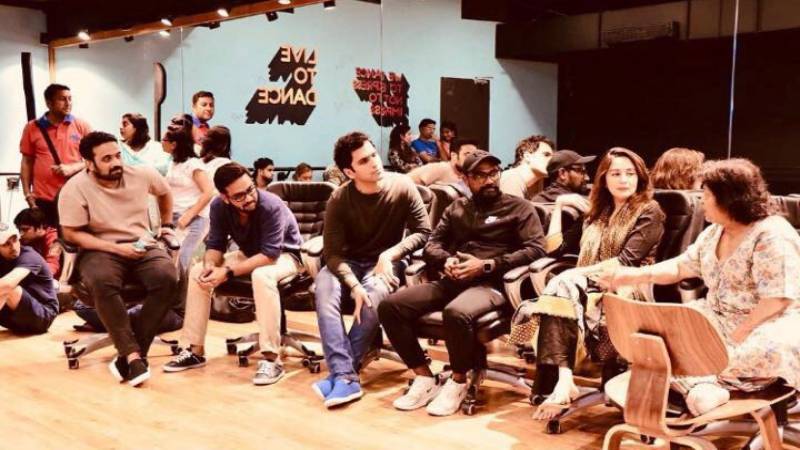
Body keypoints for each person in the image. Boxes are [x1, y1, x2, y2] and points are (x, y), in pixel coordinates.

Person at [599, 158, 800, 416]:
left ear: (729, 198)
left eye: (706, 195)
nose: (701, 201)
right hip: (718, 316)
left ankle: (705, 386)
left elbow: (777, 299)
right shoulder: (715, 232)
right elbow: (681, 267)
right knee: (664, 339)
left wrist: (741, 333)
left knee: (755, 351)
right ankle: (701, 387)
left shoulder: (771, 233)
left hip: (765, 322)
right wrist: (629, 276)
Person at [379, 150, 547, 416]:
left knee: (456, 313)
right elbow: (432, 244)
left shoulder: (519, 208)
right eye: (480, 175)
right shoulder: (456, 208)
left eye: (493, 173)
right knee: (390, 306)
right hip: (453, 279)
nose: (489, 180)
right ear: (466, 179)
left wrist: (486, 265)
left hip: (493, 284)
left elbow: (537, 249)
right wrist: (446, 261)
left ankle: (459, 380)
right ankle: (424, 378)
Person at [513, 147, 665, 420]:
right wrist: (559, 209)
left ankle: (560, 381)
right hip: (588, 285)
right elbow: (553, 249)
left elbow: (627, 262)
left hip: (628, 285)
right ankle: (564, 378)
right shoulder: (597, 211)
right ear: (604, 179)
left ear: (640, 177)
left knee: (560, 289)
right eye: (616, 173)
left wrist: (575, 275)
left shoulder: (649, 210)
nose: (623, 180)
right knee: (559, 294)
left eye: (630, 174)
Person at [312, 132, 431, 408]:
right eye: (364, 161)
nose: (375, 162)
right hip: (348, 264)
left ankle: (341, 375)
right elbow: (332, 253)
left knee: (375, 291)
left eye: (374, 154)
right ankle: (345, 375)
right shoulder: (340, 199)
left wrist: (390, 253)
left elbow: (423, 232)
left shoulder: (402, 185)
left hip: (386, 262)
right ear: (349, 171)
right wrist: (353, 284)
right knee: (324, 288)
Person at [163, 162, 303, 386]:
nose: (248, 198)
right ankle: (194, 349)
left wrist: (226, 272)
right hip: (249, 254)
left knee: (262, 276)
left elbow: (269, 255)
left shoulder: (271, 205)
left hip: (286, 256)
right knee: (199, 270)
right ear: (225, 197)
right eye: (239, 196)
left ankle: (272, 358)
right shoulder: (219, 206)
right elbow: (216, 245)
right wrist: (211, 264)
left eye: (250, 189)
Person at [58, 131, 179, 387]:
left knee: (168, 276)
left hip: (141, 243)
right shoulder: (75, 188)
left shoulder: (141, 174)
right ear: (89, 163)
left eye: (117, 156)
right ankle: (133, 356)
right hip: (98, 249)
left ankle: (130, 354)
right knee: (102, 281)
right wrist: (116, 249)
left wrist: (166, 224)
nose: (115, 163)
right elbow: (71, 233)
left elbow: (165, 192)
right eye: (106, 159)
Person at [20, 83, 92, 227]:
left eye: (70, 99)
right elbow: (26, 162)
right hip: (43, 199)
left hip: (74, 197)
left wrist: (73, 167)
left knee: (73, 242)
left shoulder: (81, 125)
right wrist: (27, 193)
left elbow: (94, 159)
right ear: (49, 103)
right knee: (46, 241)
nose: (68, 103)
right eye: (62, 99)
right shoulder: (32, 127)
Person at [162, 126, 214, 272]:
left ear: (174, 144)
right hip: (176, 218)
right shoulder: (174, 163)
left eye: (164, 140)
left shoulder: (193, 164)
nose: (161, 142)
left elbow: (208, 192)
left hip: (194, 219)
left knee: (182, 260)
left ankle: (183, 294)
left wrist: (189, 215)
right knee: (172, 259)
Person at [532, 150, 595, 255]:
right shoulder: (576, 204)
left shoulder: (536, 199)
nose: (587, 177)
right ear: (562, 173)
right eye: (581, 171)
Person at [0, 224, 58, 335]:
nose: (13, 247)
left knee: (9, 288)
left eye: (15, 240)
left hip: (42, 316)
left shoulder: (29, 256)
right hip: (14, 318)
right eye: (6, 244)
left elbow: (6, 285)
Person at [407, 140, 479, 196]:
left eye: (474, 155)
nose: (472, 159)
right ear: (454, 155)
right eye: (467, 154)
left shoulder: (471, 176)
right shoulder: (441, 168)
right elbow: (407, 182)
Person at [499, 135, 555, 201]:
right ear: (527, 156)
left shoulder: (526, 184)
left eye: (552, 157)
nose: (552, 160)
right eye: (546, 155)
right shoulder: (511, 178)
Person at [14, 208, 61, 279]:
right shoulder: (26, 239)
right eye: (19, 229)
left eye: (25, 229)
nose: (21, 233)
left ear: (40, 227)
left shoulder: (53, 238)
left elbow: (53, 265)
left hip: (52, 282)